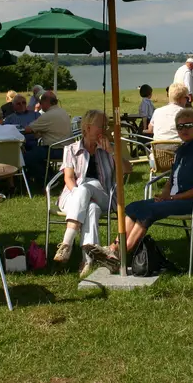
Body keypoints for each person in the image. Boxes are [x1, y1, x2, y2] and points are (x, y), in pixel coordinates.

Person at [87, 108, 193, 272]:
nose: (183, 129)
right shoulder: (182, 149)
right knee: (133, 207)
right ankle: (113, 249)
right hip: (178, 199)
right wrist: (165, 195)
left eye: (188, 125)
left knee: (148, 211)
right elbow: (172, 179)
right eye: (179, 127)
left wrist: (172, 199)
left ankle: (121, 253)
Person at [50, 110, 123, 275]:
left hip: (104, 196)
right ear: (88, 128)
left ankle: (67, 242)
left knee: (87, 186)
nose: (105, 129)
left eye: (106, 125)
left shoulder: (109, 148)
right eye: (101, 126)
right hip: (73, 197)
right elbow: (68, 179)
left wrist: (111, 152)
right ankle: (87, 261)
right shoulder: (71, 149)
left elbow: (127, 169)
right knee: (91, 208)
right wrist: (80, 197)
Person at [23, 91, 72, 181]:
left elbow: (28, 129)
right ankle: (50, 175)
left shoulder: (47, 116)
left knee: (27, 157)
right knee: (36, 151)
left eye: (41, 103)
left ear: (46, 102)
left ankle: (47, 179)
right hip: (67, 147)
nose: (40, 105)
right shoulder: (62, 111)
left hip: (55, 149)